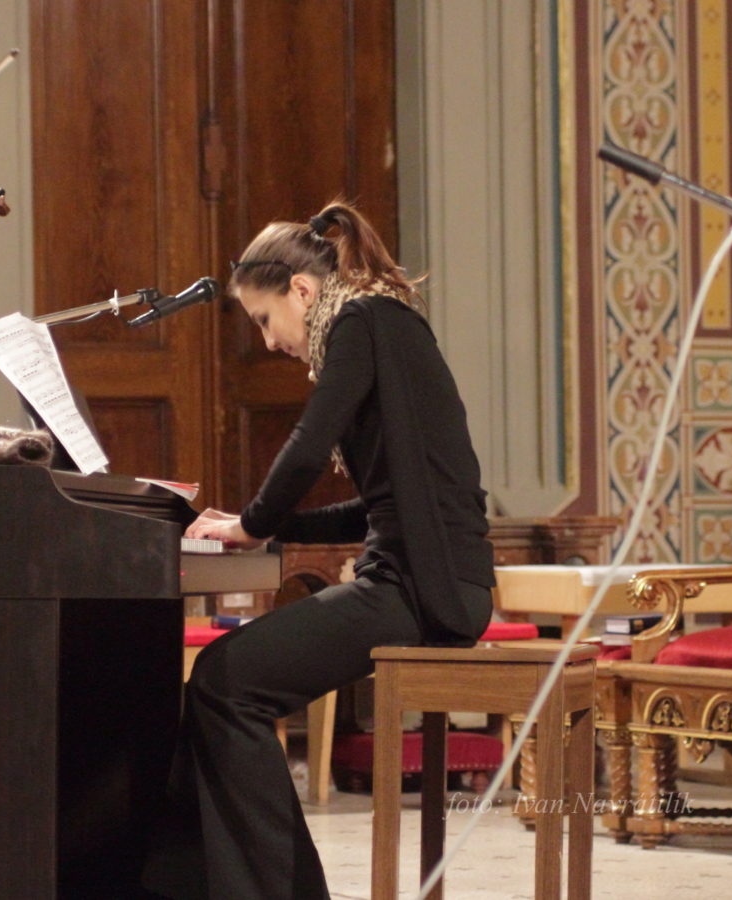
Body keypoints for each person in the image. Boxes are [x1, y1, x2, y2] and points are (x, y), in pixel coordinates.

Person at [143, 201, 494, 899]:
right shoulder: (378, 324)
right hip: (417, 580)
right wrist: (274, 530)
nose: (269, 341)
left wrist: (251, 524)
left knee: (224, 681)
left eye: (264, 319)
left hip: (423, 593)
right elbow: (383, 505)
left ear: (301, 290)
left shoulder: (364, 321)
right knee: (222, 679)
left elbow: (308, 446)